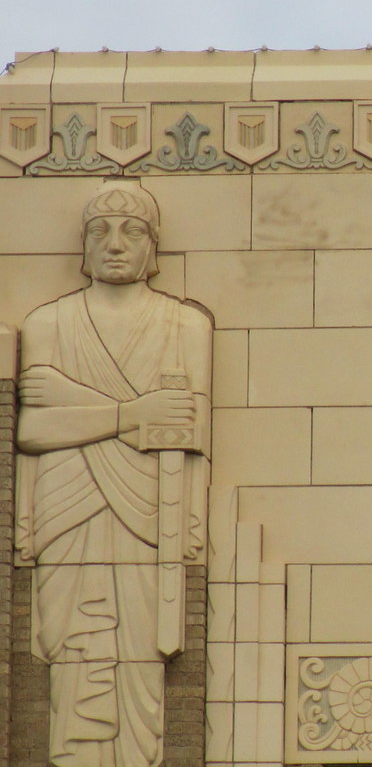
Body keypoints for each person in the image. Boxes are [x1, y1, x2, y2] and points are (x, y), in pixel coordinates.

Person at [15, 181, 212, 767]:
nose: (116, 244)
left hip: (149, 518)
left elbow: (188, 431)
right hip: (65, 515)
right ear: (84, 245)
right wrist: (133, 414)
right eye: (100, 231)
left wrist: (75, 406)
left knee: (139, 656)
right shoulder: (50, 323)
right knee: (74, 652)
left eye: (133, 231)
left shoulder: (184, 326)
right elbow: (32, 431)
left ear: (154, 245)